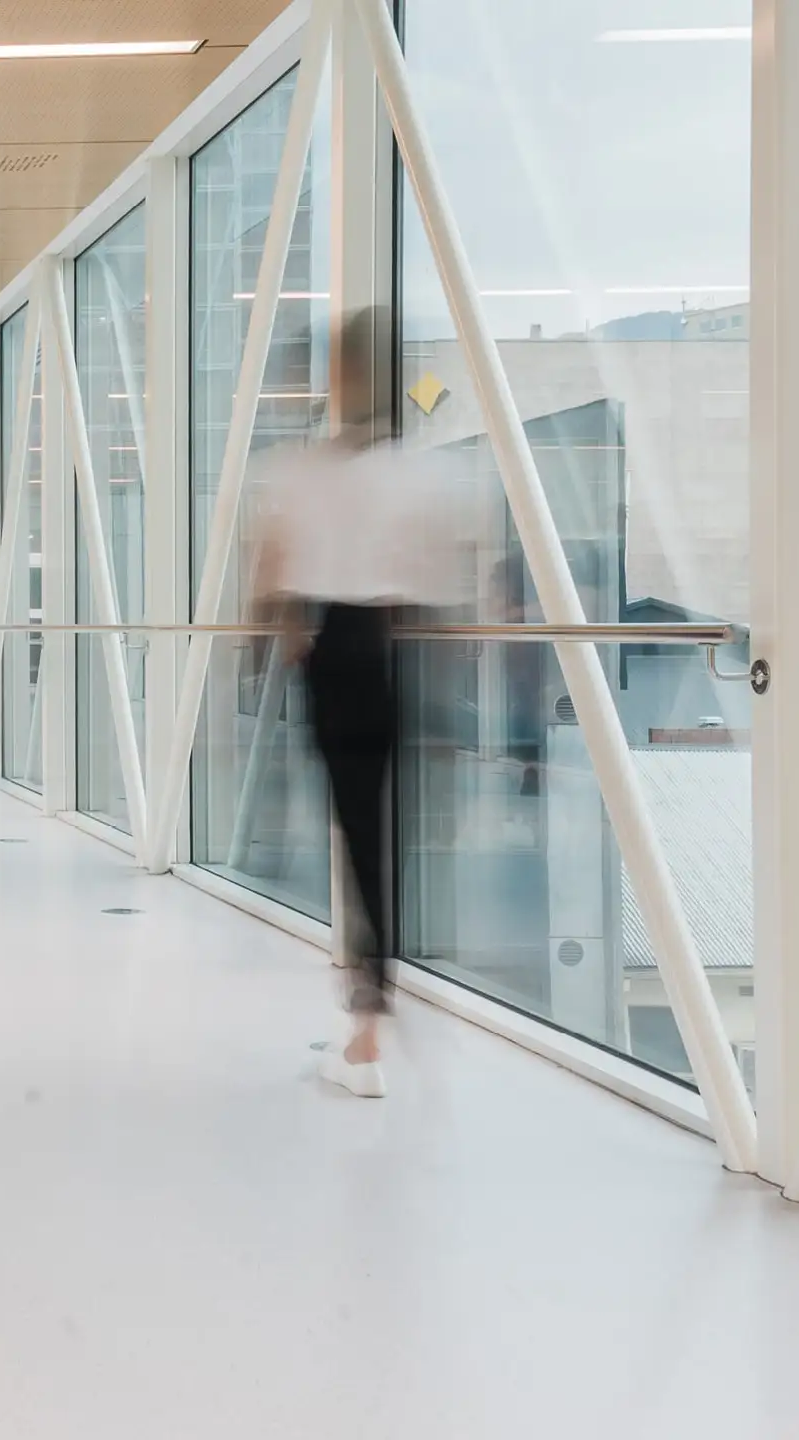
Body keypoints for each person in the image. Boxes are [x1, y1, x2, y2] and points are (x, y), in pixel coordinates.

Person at [245, 307, 475, 1101]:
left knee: (357, 837)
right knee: (391, 838)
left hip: (338, 651)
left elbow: (274, 568)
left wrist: (276, 633)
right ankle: (378, 1007)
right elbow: (452, 572)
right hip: (408, 649)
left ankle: (367, 1027)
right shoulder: (426, 470)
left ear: (341, 377)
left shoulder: (306, 470)